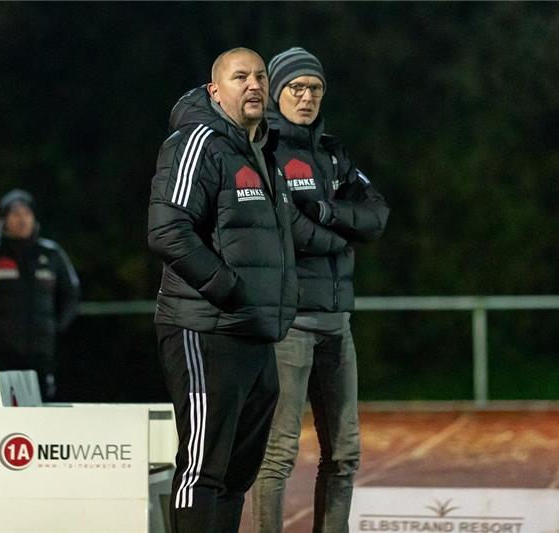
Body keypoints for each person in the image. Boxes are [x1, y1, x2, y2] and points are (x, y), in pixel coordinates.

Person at [147, 47, 347, 533]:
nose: (254, 84)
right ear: (216, 91)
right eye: (241, 77)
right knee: (204, 469)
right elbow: (168, 230)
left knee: (238, 474)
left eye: (259, 76)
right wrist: (231, 291)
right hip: (206, 328)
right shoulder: (197, 141)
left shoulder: (261, 151)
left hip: (258, 333)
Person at [252, 47, 390, 533]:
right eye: (296, 88)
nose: (306, 97)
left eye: (315, 89)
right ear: (276, 91)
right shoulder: (263, 150)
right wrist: (340, 237)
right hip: (290, 324)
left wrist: (329, 214)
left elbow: (377, 215)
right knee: (278, 454)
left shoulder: (334, 152)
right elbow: (285, 227)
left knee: (345, 454)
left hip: (338, 324)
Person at [0, 188, 79, 499]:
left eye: (26, 213)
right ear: (3, 220)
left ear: (34, 218)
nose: (21, 219)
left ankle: (39, 476)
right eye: (14, 214)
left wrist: (55, 327)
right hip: (0, 350)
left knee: (42, 411)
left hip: (41, 351)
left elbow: (72, 294)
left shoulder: (51, 253)